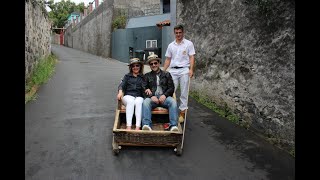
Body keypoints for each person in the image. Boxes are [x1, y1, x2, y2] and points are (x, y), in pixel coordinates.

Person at [163, 24, 196, 122]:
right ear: (174, 33)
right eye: (176, 33)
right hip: (173, 70)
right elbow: (168, 59)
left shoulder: (188, 44)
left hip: (184, 70)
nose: (178, 34)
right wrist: (163, 71)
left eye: (180, 32)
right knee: (170, 90)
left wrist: (191, 69)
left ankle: (182, 113)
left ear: (183, 32)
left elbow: (191, 57)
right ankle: (171, 109)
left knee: (184, 92)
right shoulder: (171, 45)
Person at [141, 54, 179, 132]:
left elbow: (171, 88)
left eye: (155, 63)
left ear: (158, 63)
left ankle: (173, 126)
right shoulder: (146, 76)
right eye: (151, 64)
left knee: (173, 102)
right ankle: (146, 125)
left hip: (164, 98)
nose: (153, 65)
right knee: (145, 102)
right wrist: (151, 96)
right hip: (153, 98)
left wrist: (165, 95)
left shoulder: (167, 74)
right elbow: (143, 88)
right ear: (150, 65)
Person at [117, 58, 146, 130]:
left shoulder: (143, 77)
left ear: (140, 66)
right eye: (133, 66)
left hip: (139, 96)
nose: (135, 67)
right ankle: (128, 126)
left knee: (139, 102)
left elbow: (147, 87)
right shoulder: (127, 76)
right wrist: (120, 92)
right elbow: (121, 85)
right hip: (128, 96)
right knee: (131, 101)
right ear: (131, 67)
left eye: (137, 65)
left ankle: (138, 126)